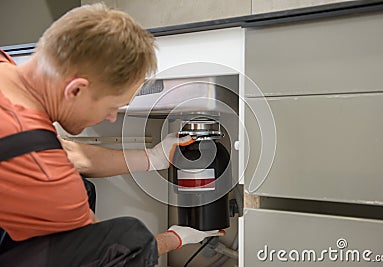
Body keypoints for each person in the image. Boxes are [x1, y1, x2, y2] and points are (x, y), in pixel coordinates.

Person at [0, 4, 223, 267]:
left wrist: (154, 158)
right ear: (76, 90)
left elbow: (64, 154)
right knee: (130, 240)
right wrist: (176, 238)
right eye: (112, 107)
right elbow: (108, 252)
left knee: (82, 188)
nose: (111, 118)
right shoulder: (37, 162)